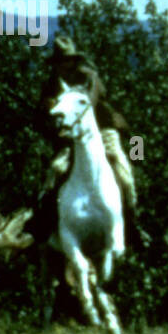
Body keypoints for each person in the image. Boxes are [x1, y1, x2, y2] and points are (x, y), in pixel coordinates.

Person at [37, 36, 140, 247]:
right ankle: (43, 225)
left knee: (125, 175)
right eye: (60, 62)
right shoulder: (50, 85)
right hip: (70, 137)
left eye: (67, 61)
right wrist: (45, 114)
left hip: (102, 130)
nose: (64, 66)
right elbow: (41, 117)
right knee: (53, 173)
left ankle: (132, 226)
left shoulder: (89, 78)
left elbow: (90, 104)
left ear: (74, 61)